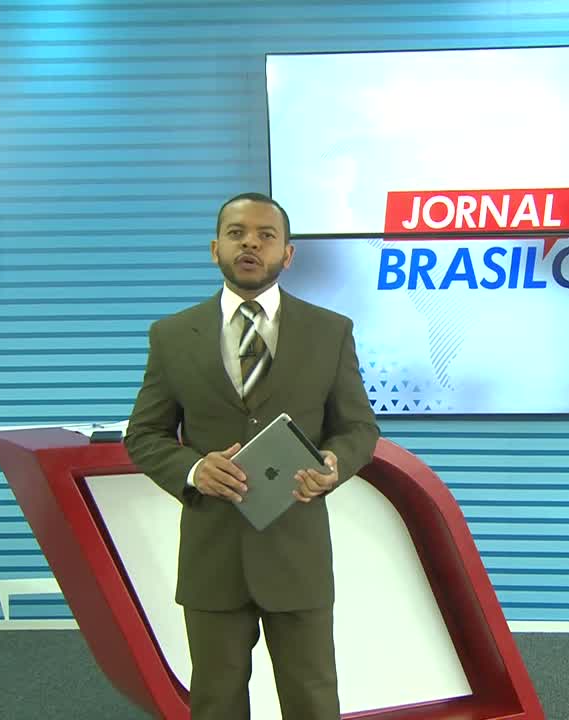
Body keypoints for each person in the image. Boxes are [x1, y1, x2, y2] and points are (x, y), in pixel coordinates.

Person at [124, 192, 379, 720]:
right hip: (213, 555)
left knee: (312, 699)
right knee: (215, 701)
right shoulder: (172, 336)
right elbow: (144, 434)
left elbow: (358, 428)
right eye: (237, 233)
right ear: (215, 247)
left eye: (266, 235)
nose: (251, 244)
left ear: (288, 254)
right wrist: (194, 468)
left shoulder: (330, 332)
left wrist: (333, 465)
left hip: (297, 553)